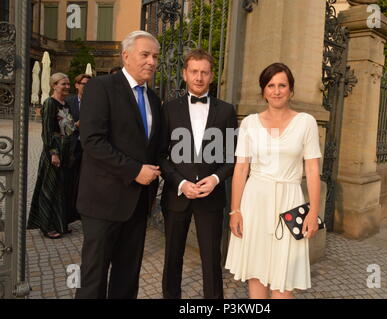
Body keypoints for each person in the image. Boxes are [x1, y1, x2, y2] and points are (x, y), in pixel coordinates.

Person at [75, 30, 161, 299]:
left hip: (137, 205)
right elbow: (92, 141)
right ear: (126, 56)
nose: (151, 61)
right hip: (102, 202)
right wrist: (135, 170)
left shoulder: (154, 100)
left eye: (155, 56)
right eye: (144, 54)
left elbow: (155, 149)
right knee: (93, 277)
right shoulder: (101, 88)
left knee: (127, 277)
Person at [225, 63, 322, 299]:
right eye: (271, 85)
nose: (276, 91)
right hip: (255, 201)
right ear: (263, 90)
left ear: (291, 90)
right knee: (256, 273)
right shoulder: (249, 123)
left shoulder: (306, 122)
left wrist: (313, 212)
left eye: (282, 85)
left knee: (284, 278)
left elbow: (311, 169)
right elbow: (241, 168)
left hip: (289, 202)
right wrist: (235, 211)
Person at [159, 49, 238, 299]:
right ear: (185, 74)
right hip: (176, 196)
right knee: (172, 256)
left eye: (204, 72)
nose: (199, 77)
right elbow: (160, 155)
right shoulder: (169, 109)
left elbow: (231, 157)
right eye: (194, 71)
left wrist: (215, 179)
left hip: (211, 198)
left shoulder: (226, 111)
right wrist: (181, 182)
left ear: (212, 76)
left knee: (211, 259)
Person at [28, 72, 78, 239]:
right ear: (54, 85)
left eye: (68, 84)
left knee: (61, 189)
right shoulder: (50, 103)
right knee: (49, 189)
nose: (67, 87)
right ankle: (46, 226)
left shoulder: (66, 104)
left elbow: (68, 128)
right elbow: (48, 131)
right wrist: (53, 153)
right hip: (54, 153)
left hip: (65, 152)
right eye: (63, 84)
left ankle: (60, 224)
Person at [65, 74, 91, 217]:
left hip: (88, 148)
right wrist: (76, 125)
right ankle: (70, 211)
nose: (86, 87)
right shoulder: (69, 102)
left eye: (88, 84)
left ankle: (82, 211)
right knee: (71, 180)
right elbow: (64, 127)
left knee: (85, 181)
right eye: (83, 84)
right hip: (73, 146)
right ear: (76, 85)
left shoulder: (95, 102)